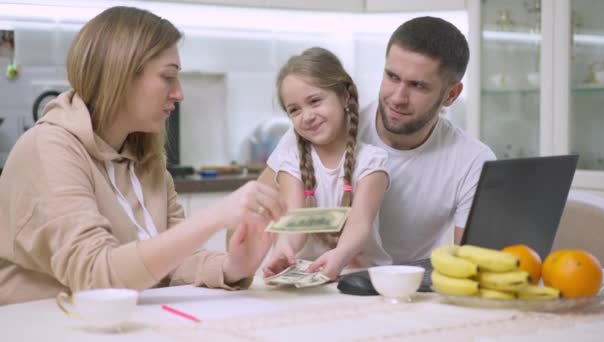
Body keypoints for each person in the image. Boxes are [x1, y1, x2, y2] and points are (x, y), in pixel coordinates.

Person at [0, 6, 285, 305]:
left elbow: (173, 260)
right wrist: (214, 218)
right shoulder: (48, 150)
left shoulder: (144, 157)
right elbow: (96, 277)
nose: (179, 93)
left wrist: (232, 266)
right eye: (168, 77)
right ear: (120, 75)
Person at [260, 16, 496, 265]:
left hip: (408, 292)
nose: (398, 97)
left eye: (417, 86)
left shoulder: (473, 161)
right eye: (392, 77)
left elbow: (473, 263)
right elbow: (248, 223)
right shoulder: (319, 130)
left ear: (451, 94)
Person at [262, 47, 391, 281]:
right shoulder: (290, 161)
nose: (307, 115)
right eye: (295, 110)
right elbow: (295, 219)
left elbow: (359, 223)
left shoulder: (372, 162)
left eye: (315, 101)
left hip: (365, 278)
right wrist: (283, 247)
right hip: (312, 278)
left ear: (344, 96)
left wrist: (340, 255)